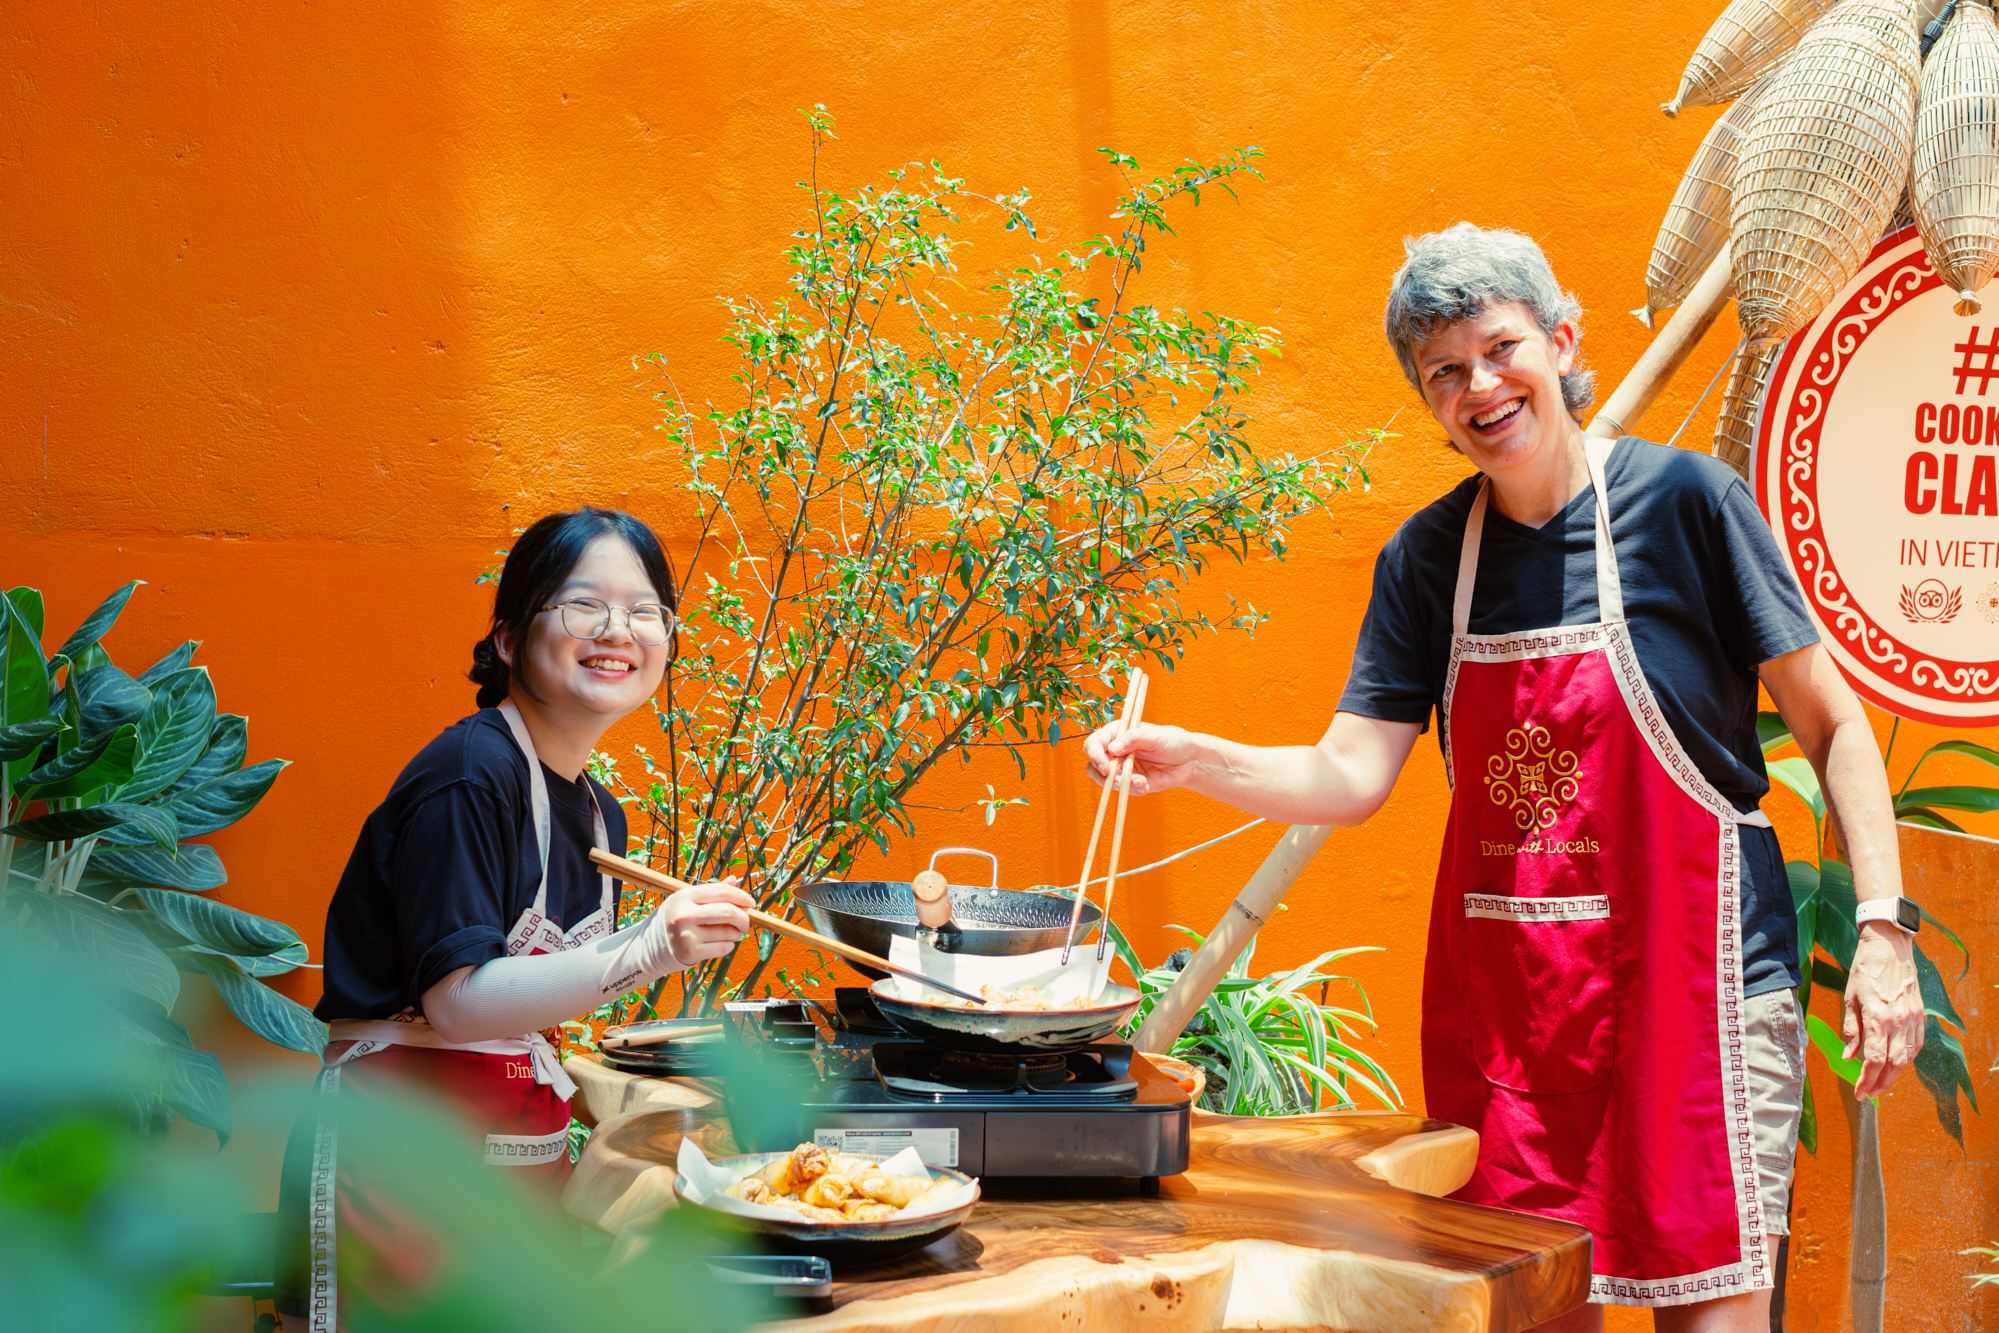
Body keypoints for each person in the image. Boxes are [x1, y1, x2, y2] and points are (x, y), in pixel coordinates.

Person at [1086, 224, 1926, 1331]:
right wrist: (1193, 758)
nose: (1479, 385)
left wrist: (1881, 929)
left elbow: (1832, 726)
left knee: (1716, 1313)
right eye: (1444, 371)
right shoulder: (1429, 559)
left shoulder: (1689, 506)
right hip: (1517, 1025)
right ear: (1427, 398)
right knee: (1529, 1310)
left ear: (1561, 340)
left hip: (1701, 993)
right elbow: (1350, 771)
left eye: (1499, 348)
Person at [295, 507, 752, 1331]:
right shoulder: (470, 775)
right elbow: (458, 1000)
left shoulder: (599, 814)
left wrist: (660, 948)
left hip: (512, 1137)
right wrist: (649, 946)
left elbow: (536, 995)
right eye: (584, 605)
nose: (617, 630)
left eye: (643, 610)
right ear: (508, 639)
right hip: (406, 1148)